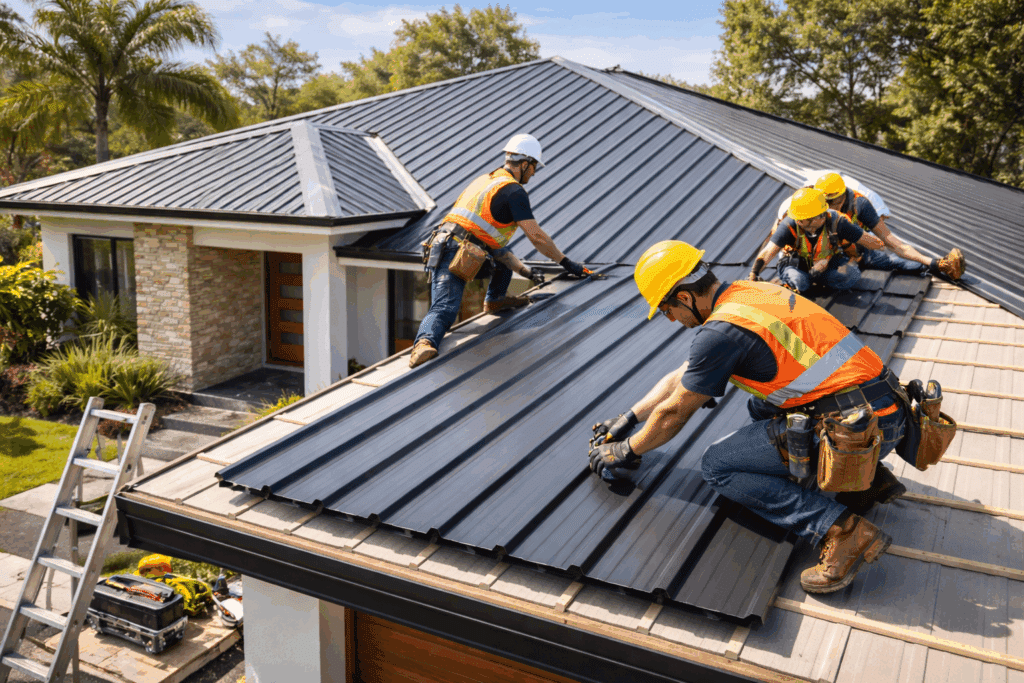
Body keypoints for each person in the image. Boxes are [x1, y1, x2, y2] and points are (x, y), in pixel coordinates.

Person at [589, 240, 909, 594]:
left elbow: (673, 412)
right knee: (759, 406)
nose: (671, 320)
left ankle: (844, 531)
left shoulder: (719, 333)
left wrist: (626, 450)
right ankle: (868, 477)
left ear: (684, 297)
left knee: (718, 465)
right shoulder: (751, 293)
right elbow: (686, 374)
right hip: (886, 412)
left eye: (666, 310)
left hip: (852, 429)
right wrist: (629, 417)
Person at [409, 134, 590, 368]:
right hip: (454, 248)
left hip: (460, 243)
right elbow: (537, 237)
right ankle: (423, 344)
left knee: (501, 253)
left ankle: (495, 301)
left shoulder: (486, 179)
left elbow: (496, 246)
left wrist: (526, 272)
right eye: (534, 167)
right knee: (445, 307)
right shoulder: (513, 191)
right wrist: (566, 263)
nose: (534, 173)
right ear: (524, 164)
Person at [812, 172, 965, 279]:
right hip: (825, 255)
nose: (831, 208)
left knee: (898, 262)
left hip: (857, 253)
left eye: (834, 202)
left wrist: (931, 262)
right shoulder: (813, 205)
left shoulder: (860, 205)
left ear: (843, 194)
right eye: (827, 203)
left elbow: (892, 242)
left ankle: (937, 265)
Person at [748, 188, 883, 292]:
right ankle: (801, 282)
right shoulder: (790, 224)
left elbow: (869, 241)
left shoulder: (837, 221)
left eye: (803, 220)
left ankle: (815, 280)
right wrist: (755, 272)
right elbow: (768, 251)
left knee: (851, 275)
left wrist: (883, 243)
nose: (798, 221)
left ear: (819, 217)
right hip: (796, 263)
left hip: (827, 262)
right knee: (800, 281)